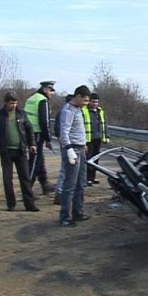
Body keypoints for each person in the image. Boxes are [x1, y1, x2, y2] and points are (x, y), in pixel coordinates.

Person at [0, 91, 40, 212]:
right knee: (7, 178)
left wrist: (32, 144)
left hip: (21, 150)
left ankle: (29, 204)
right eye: (11, 103)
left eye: (16, 103)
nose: (14, 105)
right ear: (6, 103)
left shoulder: (22, 114)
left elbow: (29, 129)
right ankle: (11, 203)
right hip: (6, 151)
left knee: (25, 177)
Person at [59, 85, 91, 227]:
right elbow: (64, 132)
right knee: (70, 185)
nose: (86, 104)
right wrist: (69, 149)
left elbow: (78, 129)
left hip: (80, 148)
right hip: (72, 150)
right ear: (77, 97)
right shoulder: (68, 110)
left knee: (81, 183)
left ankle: (78, 212)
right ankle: (65, 217)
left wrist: (83, 143)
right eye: (84, 100)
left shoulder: (79, 110)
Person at [24, 80, 56, 194]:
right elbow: (44, 122)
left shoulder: (31, 98)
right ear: (45, 89)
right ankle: (27, 190)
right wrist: (48, 139)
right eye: (51, 90)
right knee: (34, 162)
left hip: (27, 132)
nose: (52, 93)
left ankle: (44, 182)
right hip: (36, 133)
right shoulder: (43, 101)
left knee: (39, 158)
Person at [81, 92, 110, 186]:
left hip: (98, 138)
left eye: (96, 102)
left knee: (96, 159)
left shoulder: (100, 111)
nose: (95, 104)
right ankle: (87, 178)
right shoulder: (84, 110)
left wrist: (106, 136)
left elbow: (104, 124)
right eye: (93, 102)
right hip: (88, 139)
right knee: (88, 158)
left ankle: (93, 177)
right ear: (89, 101)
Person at [53, 93, 74, 205]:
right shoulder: (66, 112)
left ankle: (62, 193)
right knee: (65, 169)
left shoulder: (63, 111)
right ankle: (60, 194)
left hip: (70, 144)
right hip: (68, 145)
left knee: (67, 170)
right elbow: (59, 130)